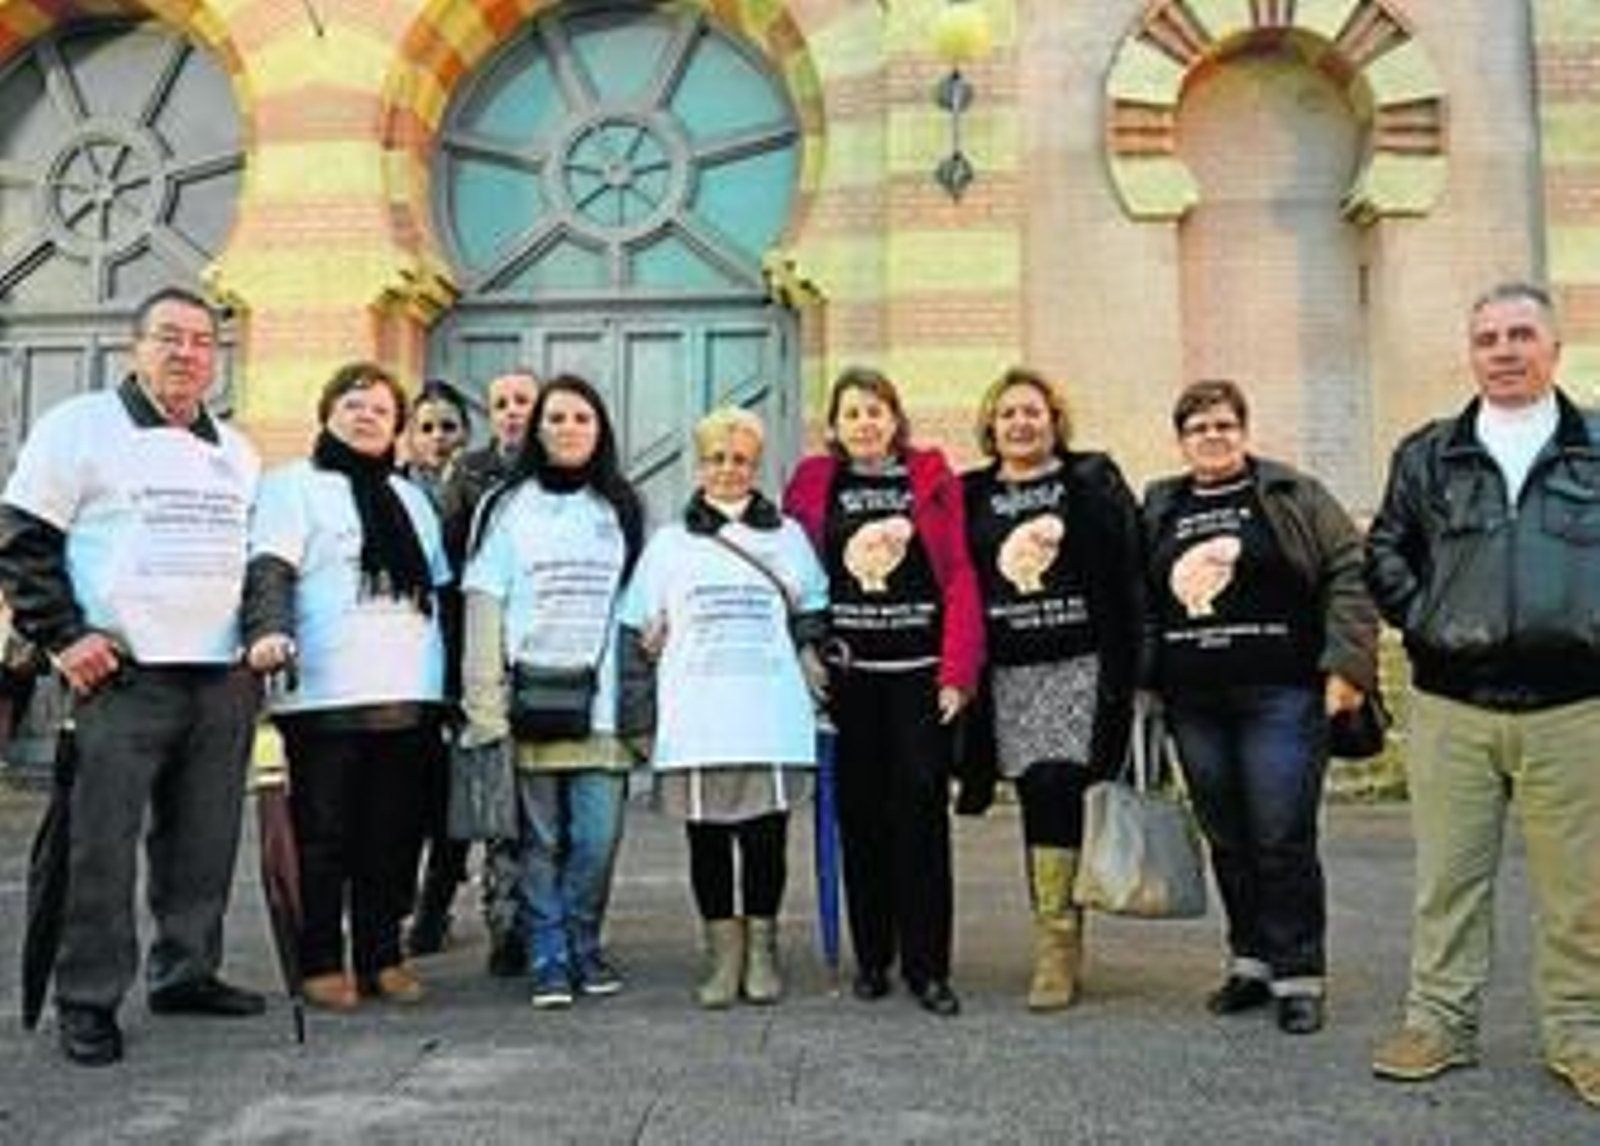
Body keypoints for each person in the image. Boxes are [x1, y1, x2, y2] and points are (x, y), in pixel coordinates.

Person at [0, 287, 264, 1066]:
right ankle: (87, 1000)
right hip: (120, 676)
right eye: (169, 338)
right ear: (135, 347)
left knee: (204, 841)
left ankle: (186, 972)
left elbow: (255, 561)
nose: (186, 353)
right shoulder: (79, 427)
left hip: (218, 678)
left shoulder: (238, 450)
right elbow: (20, 539)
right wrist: (63, 636)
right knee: (99, 848)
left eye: (202, 341)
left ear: (217, 356)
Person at [1365, 282, 1600, 1107]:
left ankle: (1582, 1032)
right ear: (1471, 353)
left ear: (1554, 348)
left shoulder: (1595, 447)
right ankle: (1438, 1023)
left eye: (1520, 335)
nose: (1503, 351)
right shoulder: (1428, 453)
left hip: (1576, 710)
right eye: (1488, 338)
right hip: (1453, 708)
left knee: (1582, 889)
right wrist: (1427, 619)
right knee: (1448, 880)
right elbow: (1386, 550)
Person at [1142, 379, 1377, 1036]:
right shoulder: (1162, 505)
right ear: (1181, 440)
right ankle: (1251, 961)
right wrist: (1142, 677)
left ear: (1243, 430)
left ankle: (1299, 973)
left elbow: (1349, 570)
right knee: (1229, 837)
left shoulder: (1290, 494)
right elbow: (1140, 593)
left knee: (1281, 836)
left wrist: (1347, 664)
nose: (1212, 437)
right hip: (1194, 700)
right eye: (1198, 428)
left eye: (1223, 425)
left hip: (1282, 694)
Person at [244, 362, 451, 1012]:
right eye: (354, 404)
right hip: (327, 694)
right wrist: (269, 632)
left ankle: (382, 955)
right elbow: (270, 569)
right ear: (328, 412)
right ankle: (321, 960)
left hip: (409, 691)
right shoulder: (291, 487)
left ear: (396, 426)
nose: (367, 416)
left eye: (381, 410)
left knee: (393, 836)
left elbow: (439, 590)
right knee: (325, 838)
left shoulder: (412, 496)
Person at [783, 366, 984, 1017]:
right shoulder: (814, 483)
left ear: (895, 419)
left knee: (922, 820)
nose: (865, 423)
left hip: (918, 679)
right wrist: (803, 655)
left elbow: (957, 576)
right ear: (834, 427)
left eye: (876, 410)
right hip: (849, 681)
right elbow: (794, 575)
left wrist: (958, 670)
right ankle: (874, 957)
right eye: (852, 413)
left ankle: (929, 966)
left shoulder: (928, 478)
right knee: (860, 818)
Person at [620, 407, 828, 1008]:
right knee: (707, 843)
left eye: (740, 459)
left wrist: (812, 649)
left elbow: (812, 606)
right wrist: (640, 719)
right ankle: (722, 956)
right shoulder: (668, 543)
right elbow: (637, 632)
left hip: (769, 715)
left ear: (757, 464)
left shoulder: (786, 536)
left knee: (766, 839)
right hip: (697, 719)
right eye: (716, 458)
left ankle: (762, 953)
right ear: (699, 463)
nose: (728, 470)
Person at [460, 373, 645, 1009]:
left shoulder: (620, 507)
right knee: (538, 842)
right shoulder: (509, 506)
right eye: (556, 418)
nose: (568, 429)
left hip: (603, 708)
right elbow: (483, 601)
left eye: (582, 419)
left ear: (601, 431)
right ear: (537, 429)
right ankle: (549, 954)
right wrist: (484, 706)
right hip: (529, 703)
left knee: (597, 839)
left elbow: (639, 602)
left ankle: (584, 939)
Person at [961, 367, 1141, 1011]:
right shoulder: (968, 493)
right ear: (991, 426)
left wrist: (1137, 668)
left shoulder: (1089, 480)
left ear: (1054, 419)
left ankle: (1056, 948)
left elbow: (1129, 569)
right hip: (1008, 672)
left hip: (1079, 664)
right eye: (1007, 413)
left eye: (1032, 411)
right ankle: (1054, 928)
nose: (1020, 423)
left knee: (1056, 787)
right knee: (1037, 796)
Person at [414, 367, 540, 970]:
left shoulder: (561, 468)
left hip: (546, 651)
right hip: (482, 648)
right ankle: (503, 922)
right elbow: (448, 568)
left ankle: (542, 915)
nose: (514, 411)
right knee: (493, 792)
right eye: (502, 403)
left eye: (524, 401)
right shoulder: (470, 475)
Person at [402, 379, 472, 506]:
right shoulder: (393, 489)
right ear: (412, 436)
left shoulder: (484, 492)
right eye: (426, 428)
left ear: (466, 433)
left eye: (448, 427)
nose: (438, 436)